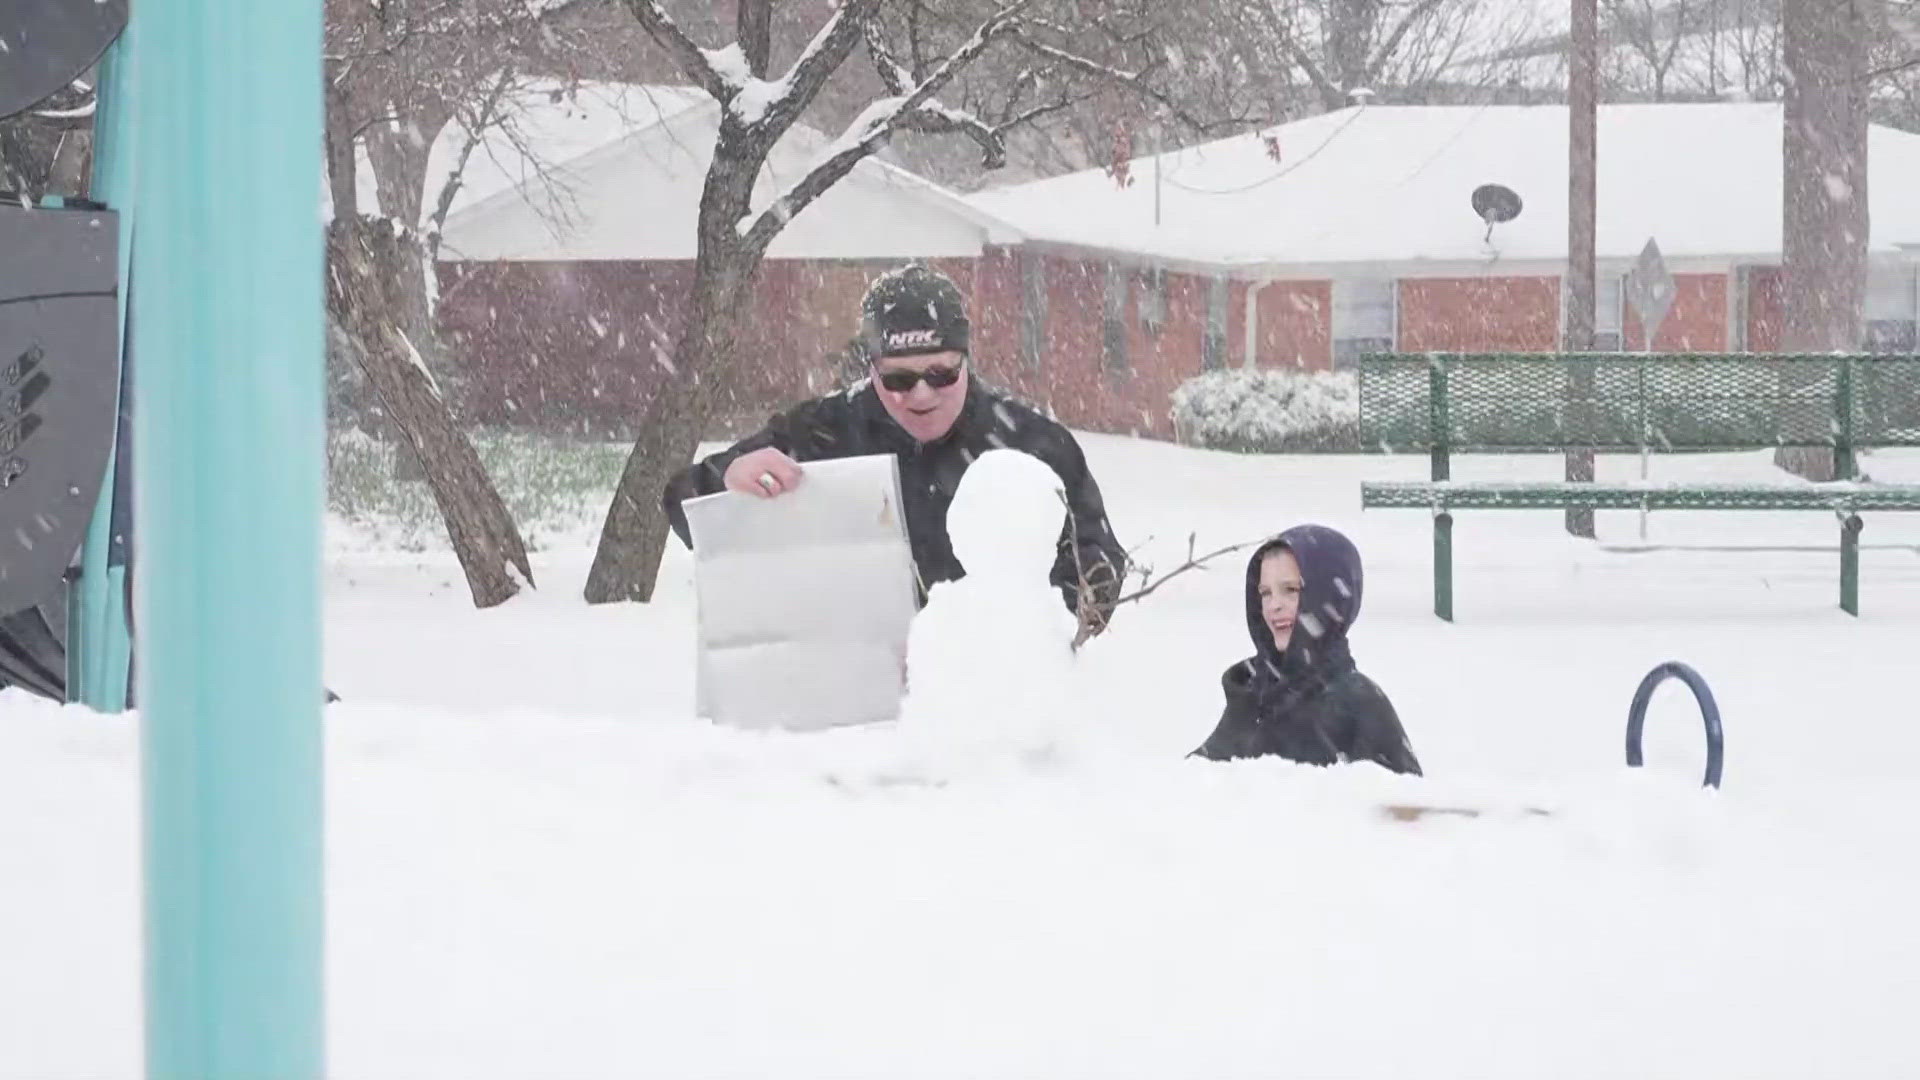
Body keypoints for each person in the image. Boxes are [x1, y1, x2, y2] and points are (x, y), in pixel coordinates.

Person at [664, 263, 1128, 627]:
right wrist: (727, 480)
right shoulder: (821, 432)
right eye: (900, 379)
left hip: (988, 704)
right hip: (849, 704)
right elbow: (685, 505)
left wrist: (1015, 634)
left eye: (941, 374)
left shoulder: (1031, 442)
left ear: (965, 361)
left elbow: (1098, 564)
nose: (922, 394)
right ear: (872, 370)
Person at [1191, 524, 1422, 774]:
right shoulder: (1252, 694)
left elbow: (1404, 803)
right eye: (1265, 593)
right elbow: (1192, 785)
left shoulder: (1358, 704)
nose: (1273, 606)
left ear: (1329, 596)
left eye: (1290, 590)